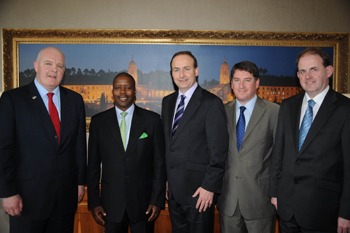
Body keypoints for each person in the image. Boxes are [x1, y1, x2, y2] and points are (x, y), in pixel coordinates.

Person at [0, 47, 87, 233]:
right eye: (48, 63)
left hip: (65, 198)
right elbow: (3, 150)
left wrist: (80, 182)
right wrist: (6, 193)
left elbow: (79, 146)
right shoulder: (12, 99)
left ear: (64, 71)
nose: (54, 69)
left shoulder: (75, 100)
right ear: (36, 66)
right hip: (26, 200)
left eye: (60, 66)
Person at [269, 47, 350, 232]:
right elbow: (279, 153)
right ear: (298, 75)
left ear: (328, 71)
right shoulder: (288, 105)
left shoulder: (345, 109)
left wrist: (346, 213)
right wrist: (274, 192)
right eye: (303, 71)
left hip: (324, 211)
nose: (308, 76)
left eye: (314, 69)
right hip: (286, 208)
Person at [87, 72, 166, 233]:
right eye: (118, 88)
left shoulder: (152, 120)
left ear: (135, 92)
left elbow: (159, 163)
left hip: (144, 204)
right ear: (112, 91)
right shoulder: (98, 122)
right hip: (110, 205)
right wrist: (94, 202)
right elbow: (93, 165)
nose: (122, 92)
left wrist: (157, 200)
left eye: (128, 88)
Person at [161, 51, 229, 233]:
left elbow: (219, 151)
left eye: (186, 69)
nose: (181, 75)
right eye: (176, 70)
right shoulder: (167, 102)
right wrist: (166, 179)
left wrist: (209, 186)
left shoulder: (211, 103)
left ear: (196, 70)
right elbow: (169, 146)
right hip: (174, 192)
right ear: (171, 73)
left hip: (199, 193)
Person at [217, 61, 279, 233]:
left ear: (257, 83)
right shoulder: (221, 112)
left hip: (261, 201)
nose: (241, 85)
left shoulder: (274, 112)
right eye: (237, 80)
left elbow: (281, 157)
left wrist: (277, 192)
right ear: (231, 84)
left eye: (247, 80)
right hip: (228, 201)